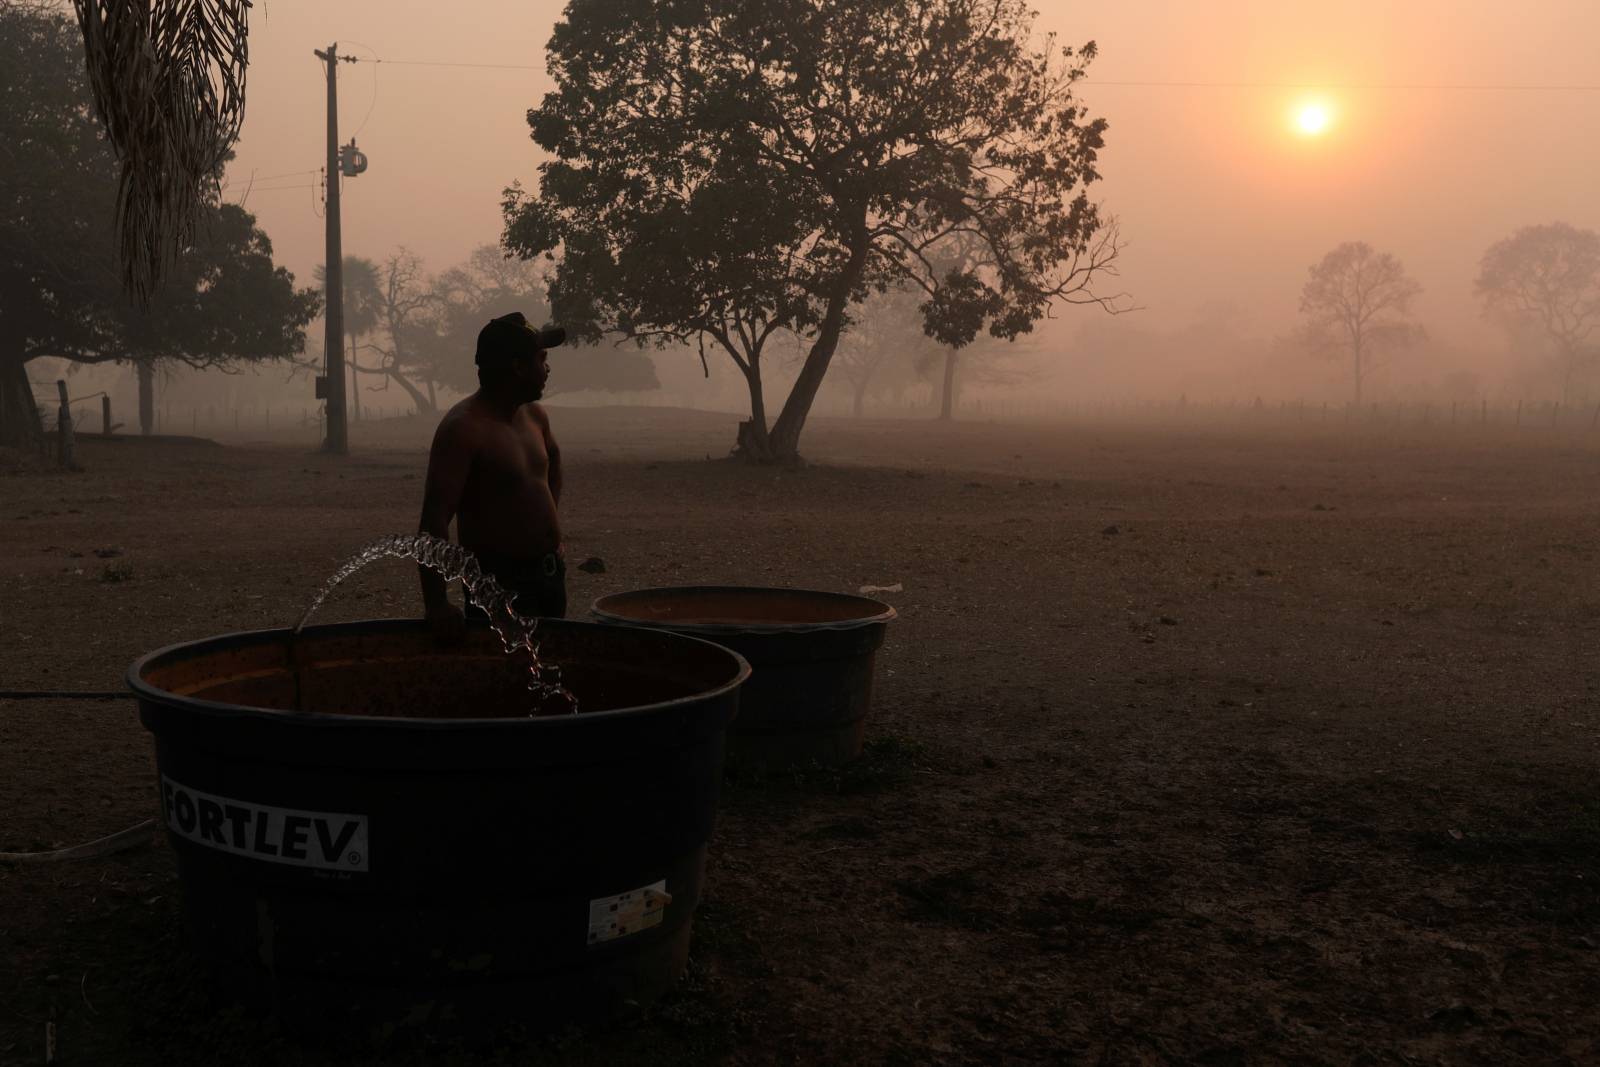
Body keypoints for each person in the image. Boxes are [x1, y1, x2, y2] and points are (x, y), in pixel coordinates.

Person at [417, 312, 567, 643]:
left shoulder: (534, 416)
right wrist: (437, 602)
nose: (547, 369)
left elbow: (553, 462)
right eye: (541, 359)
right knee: (508, 678)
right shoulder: (463, 429)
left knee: (554, 665)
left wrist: (548, 529)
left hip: (550, 574)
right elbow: (434, 518)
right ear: (517, 367)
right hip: (499, 583)